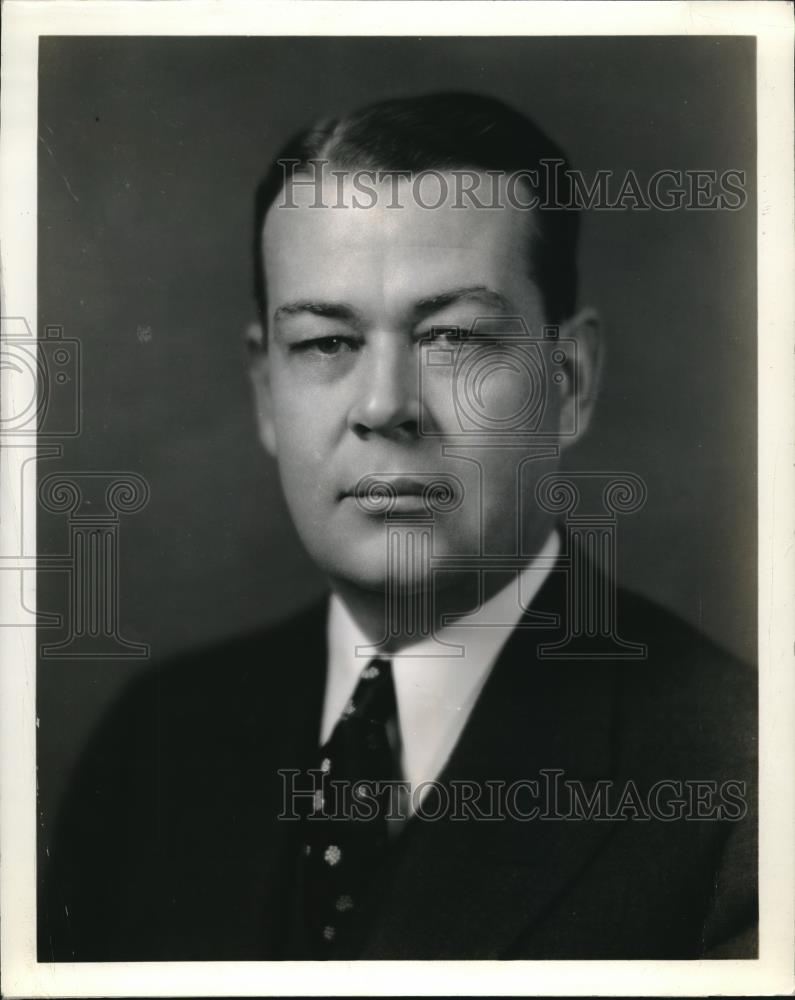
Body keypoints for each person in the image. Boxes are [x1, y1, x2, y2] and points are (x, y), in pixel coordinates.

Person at [39, 92, 756, 962]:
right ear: (267, 391)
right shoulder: (154, 744)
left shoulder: (743, 784)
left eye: (452, 337)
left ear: (567, 382)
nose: (385, 406)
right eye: (327, 345)